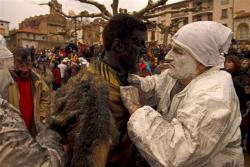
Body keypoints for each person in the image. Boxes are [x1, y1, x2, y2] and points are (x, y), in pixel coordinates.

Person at [120, 21, 244, 166]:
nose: (167, 56)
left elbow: (176, 155)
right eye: (171, 49)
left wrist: (136, 109)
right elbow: (157, 84)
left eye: (178, 51)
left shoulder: (214, 97)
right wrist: (135, 82)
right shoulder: (180, 74)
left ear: (202, 61)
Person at [49, 14, 148, 167]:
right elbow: (90, 160)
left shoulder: (125, 78)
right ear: (119, 46)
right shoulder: (91, 91)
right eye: (138, 43)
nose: (144, 50)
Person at [0, 95, 64, 166]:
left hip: (29, 132)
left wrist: (42, 115)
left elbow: (44, 96)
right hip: (28, 141)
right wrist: (51, 139)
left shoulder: (37, 84)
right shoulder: (4, 115)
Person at [1, 47, 51, 135]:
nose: (25, 69)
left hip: (32, 128)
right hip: (12, 131)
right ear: (13, 63)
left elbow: (45, 95)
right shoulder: (5, 81)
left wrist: (42, 115)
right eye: (21, 65)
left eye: (28, 64)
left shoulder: (37, 79)